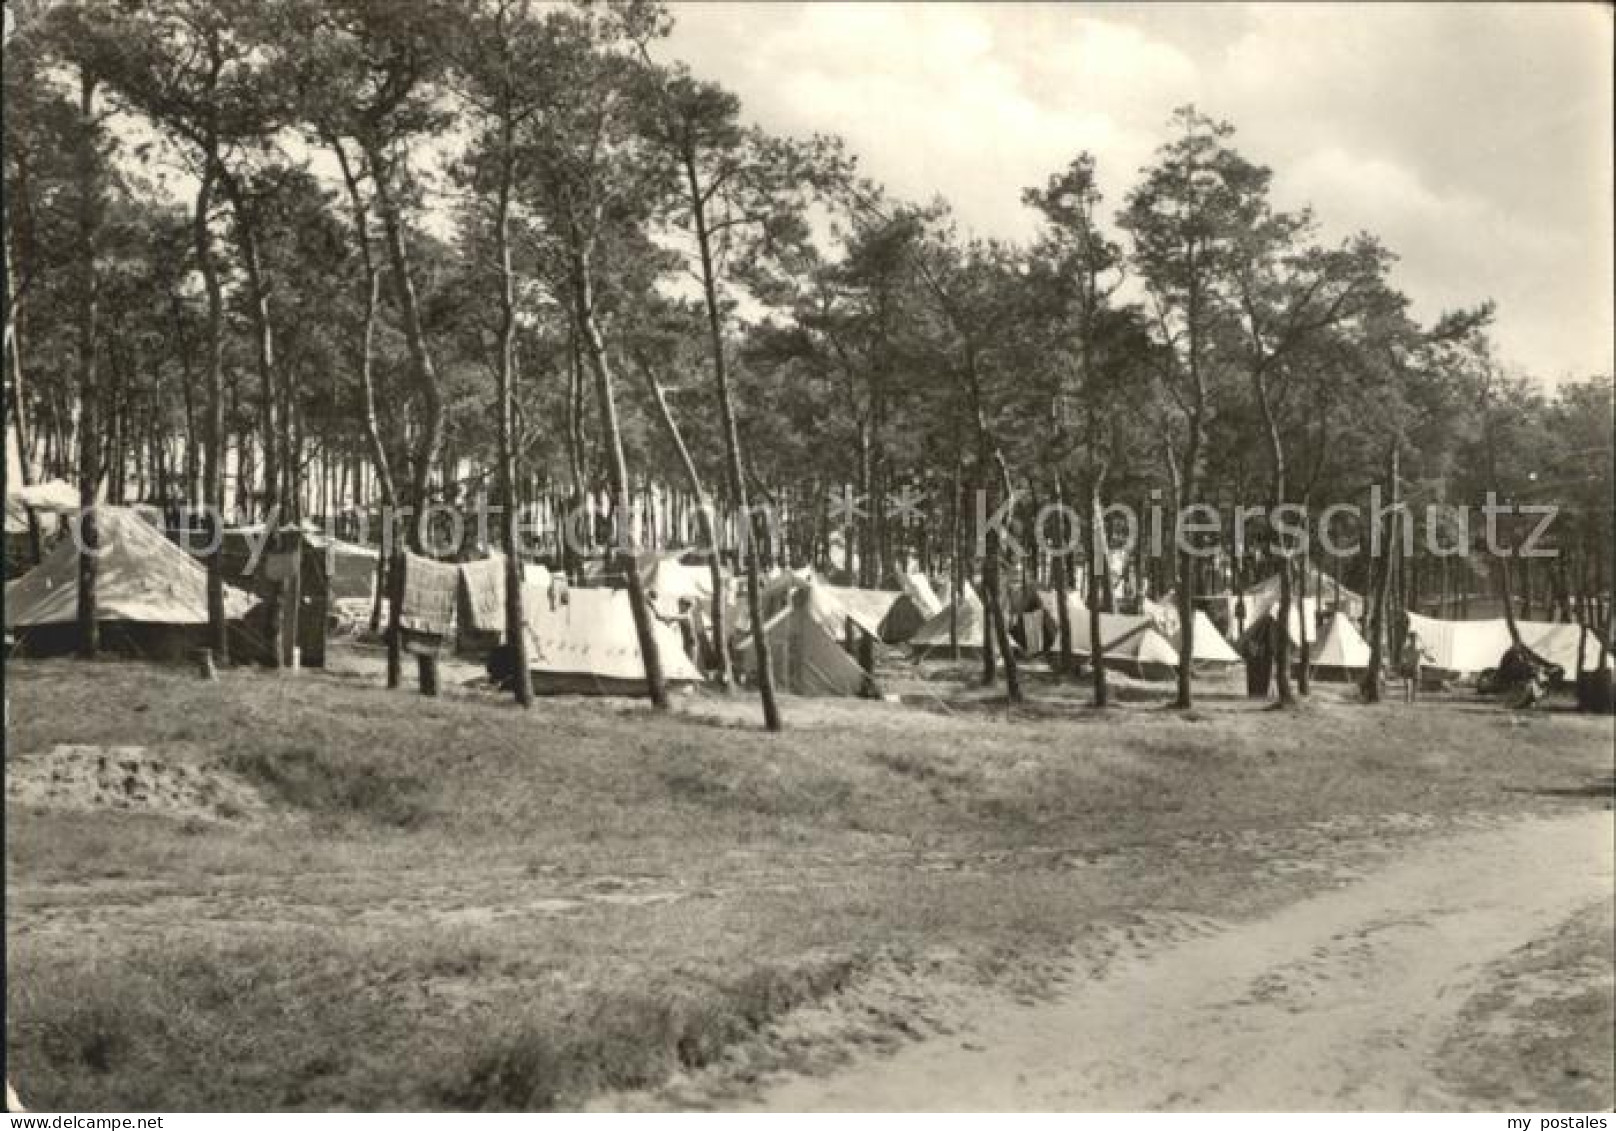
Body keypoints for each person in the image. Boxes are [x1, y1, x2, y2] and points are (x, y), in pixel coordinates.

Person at [1398, 629, 1430, 704]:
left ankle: (1412, 701)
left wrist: (1430, 659)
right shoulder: (1406, 649)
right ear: (1410, 639)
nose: (1413, 640)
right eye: (1412, 639)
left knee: (1415, 686)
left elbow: (1426, 656)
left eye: (1414, 639)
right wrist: (1402, 664)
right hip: (1408, 668)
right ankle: (1407, 700)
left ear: (1416, 639)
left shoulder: (1419, 649)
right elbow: (1402, 658)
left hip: (1416, 669)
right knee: (1407, 685)